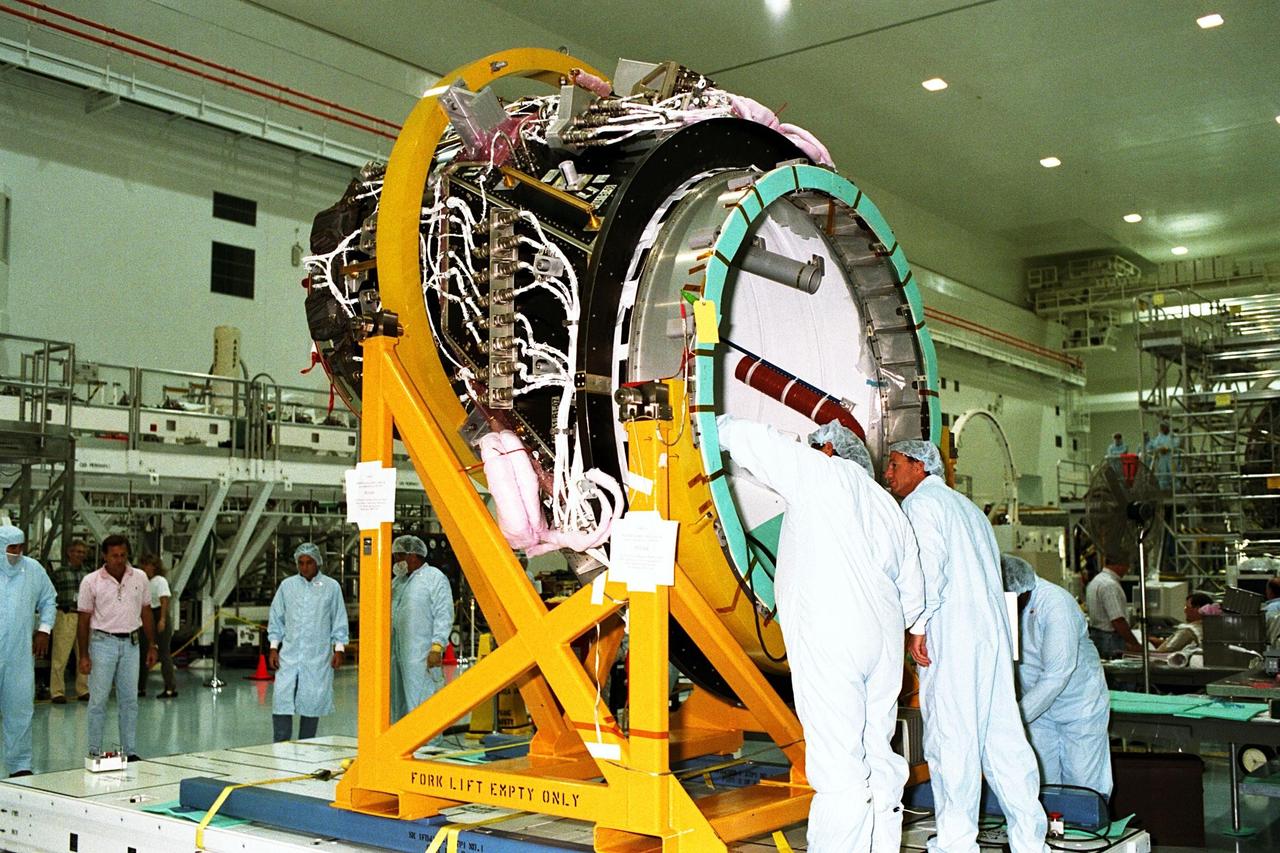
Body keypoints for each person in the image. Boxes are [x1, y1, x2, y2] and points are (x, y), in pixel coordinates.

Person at [717, 416, 925, 853]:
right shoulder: (888, 505)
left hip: (834, 639)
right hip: (885, 644)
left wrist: (702, 422)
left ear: (828, 449)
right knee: (877, 755)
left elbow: (754, 438)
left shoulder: (821, 473)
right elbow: (913, 593)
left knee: (839, 769)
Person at [883, 440, 1047, 853]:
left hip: (952, 636)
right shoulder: (970, 510)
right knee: (1005, 743)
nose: (888, 473)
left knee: (952, 741)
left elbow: (928, 570)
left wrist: (917, 626)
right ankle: (1031, 842)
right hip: (990, 638)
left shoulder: (920, 506)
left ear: (920, 467)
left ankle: (956, 845)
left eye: (895, 464)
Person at [1002, 554, 1112, 799]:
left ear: (1019, 592)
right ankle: (1051, 835)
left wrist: (1013, 718)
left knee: (1083, 785)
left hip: (1078, 708)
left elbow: (1056, 675)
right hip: (1037, 711)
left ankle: (1087, 833)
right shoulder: (1011, 605)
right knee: (1043, 784)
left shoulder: (1055, 604)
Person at [77, 535, 157, 762]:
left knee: (130, 700)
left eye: (123, 555)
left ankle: (129, 750)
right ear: (105, 556)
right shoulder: (91, 581)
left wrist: (152, 644)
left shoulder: (139, 577)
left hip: (132, 644)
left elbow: (147, 611)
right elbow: (83, 619)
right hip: (102, 644)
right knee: (98, 700)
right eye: (114, 556)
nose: (119, 560)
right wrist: (84, 654)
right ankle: (94, 750)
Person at [268, 543, 348, 742]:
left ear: (317, 562)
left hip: (317, 657)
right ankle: (280, 745)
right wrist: (273, 647)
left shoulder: (331, 587)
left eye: (309, 563)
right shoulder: (288, 586)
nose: (304, 567)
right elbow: (276, 618)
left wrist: (339, 649)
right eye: (300, 563)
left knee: (312, 702)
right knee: (281, 699)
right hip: (289, 655)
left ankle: (307, 746)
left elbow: (339, 619)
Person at [0, 526, 56, 777]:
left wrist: (44, 629)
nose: (17, 553)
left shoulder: (33, 570)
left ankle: (20, 765)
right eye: (12, 548)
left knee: (20, 708)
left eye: (21, 547)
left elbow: (48, 598)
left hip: (19, 654)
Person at [389, 535, 455, 725]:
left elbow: (444, 614)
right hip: (398, 654)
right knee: (399, 704)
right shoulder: (397, 582)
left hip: (422, 655)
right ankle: (402, 743)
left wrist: (437, 647)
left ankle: (429, 745)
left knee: (423, 701)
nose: (395, 562)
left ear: (413, 556)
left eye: (398, 556)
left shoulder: (433, 578)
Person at [48, 540, 91, 703]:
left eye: (82, 552)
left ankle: (83, 689)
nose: (80, 555)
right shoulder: (59, 573)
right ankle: (57, 692)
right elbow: (49, 595)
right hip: (66, 615)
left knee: (84, 654)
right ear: (69, 553)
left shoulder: (89, 574)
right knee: (60, 656)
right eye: (76, 551)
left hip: (85, 617)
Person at [136, 554, 177, 698]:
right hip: (146, 615)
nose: (145, 568)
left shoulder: (160, 581)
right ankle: (140, 687)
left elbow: (164, 600)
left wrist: (162, 619)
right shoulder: (142, 582)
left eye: (147, 564)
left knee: (164, 653)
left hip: (158, 613)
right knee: (143, 652)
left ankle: (170, 687)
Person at [1084, 562, 1140, 658]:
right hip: (1111, 642)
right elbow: (1117, 620)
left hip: (1098, 638)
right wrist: (1135, 645)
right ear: (1119, 564)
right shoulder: (1110, 585)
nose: (1128, 570)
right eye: (1127, 566)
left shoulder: (1096, 581)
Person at [1145, 422, 1177, 490]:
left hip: (1171, 457)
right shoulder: (1159, 437)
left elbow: (1176, 444)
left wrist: (1167, 448)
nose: (1163, 429)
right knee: (1163, 474)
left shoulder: (1172, 436)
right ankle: (1164, 490)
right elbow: (1155, 445)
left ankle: (1176, 490)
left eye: (1164, 427)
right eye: (1162, 427)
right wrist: (1160, 448)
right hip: (1162, 458)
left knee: (1173, 475)